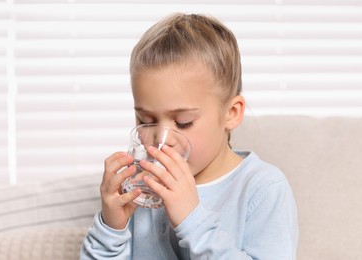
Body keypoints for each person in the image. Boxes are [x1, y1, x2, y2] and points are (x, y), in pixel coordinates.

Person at [80, 13, 298, 259]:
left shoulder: (263, 189)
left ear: (231, 113)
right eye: (146, 121)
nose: (161, 139)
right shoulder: (143, 187)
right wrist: (111, 228)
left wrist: (192, 220)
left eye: (183, 123)